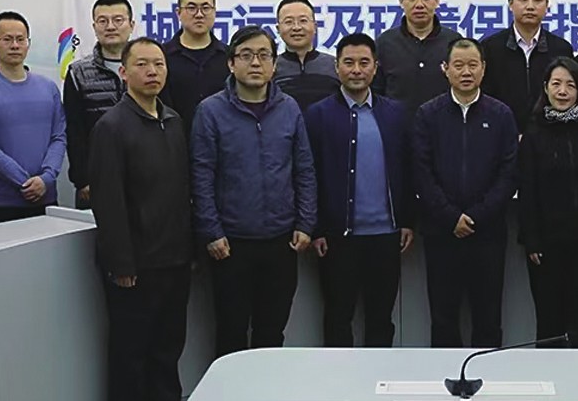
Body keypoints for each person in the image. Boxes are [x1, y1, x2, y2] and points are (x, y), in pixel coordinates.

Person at [88, 38, 193, 401]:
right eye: (143, 64)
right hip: (134, 265)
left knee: (167, 351)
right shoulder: (112, 126)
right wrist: (122, 263)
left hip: (174, 258)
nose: (152, 71)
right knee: (131, 355)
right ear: (124, 73)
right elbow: (108, 202)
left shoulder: (174, 120)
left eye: (159, 64)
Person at [191, 25, 317, 358]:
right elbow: (201, 176)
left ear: (274, 64)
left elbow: (304, 169)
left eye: (263, 55)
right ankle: (229, 393)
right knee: (231, 331)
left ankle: (268, 391)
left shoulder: (289, 108)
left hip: (281, 241)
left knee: (272, 331)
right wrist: (212, 231)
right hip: (230, 243)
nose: (256, 63)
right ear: (231, 63)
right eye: (246, 55)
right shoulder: (211, 111)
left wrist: (306, 223)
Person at [304, 33, 415, 347]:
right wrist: (316, 228)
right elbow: (309, 174)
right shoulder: (318, 115)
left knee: (381, 319)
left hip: (386, 235)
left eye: (364, 63)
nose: (356, 70)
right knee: (338, 317)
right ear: (336, 67)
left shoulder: (395, 113)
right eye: (349, 62)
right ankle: (339, 380)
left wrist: (407, 220)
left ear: (375, 67)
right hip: (338, 238)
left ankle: (378, 378)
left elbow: (407, 169)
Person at [412, 38, 518, 348]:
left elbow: (509, 173)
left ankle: (488, 375)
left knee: (489, 317)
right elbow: (421, 172)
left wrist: (476, 216)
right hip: (441, 232)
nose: (466, 72)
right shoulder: (428, 114)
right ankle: (445, 376)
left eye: (473, 65)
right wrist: (450, 217)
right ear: (445, 69)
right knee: (443, 317)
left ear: (484, 68)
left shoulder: (501, 114)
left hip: (488, 233)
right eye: (458, 65)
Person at [518, 57, 578, 348]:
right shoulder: (533, 132)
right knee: (550, 320)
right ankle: (550, 376)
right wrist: (531, 239)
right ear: (546, 88)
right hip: (548, 244)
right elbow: (527, 188)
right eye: (556, 84)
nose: (562, 91)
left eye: (570, 85)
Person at [0, 11, 66, 225]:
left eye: (21, 39)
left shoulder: (48, 88)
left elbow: (58, 137)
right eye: (7, 39)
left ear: (29, 43)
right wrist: (25, 182)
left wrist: (46, 178)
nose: (15, 45)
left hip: (46, 198)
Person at [64, 0, 134, 210]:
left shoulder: (149, 66)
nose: (110, 26)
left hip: (143, 175)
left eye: (118, 20)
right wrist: (82, 179)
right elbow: (74, 130)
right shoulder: (78, 72)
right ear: (94, 27)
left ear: (131, 25)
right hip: (97, 178)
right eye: (103, 21)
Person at [480, 0, 574, 132]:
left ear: (547, 5)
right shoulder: (490, 47)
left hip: (549, 135)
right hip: (501, 135)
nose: (530, 6)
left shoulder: (561, 48)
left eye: (537, 0)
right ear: (510, 4)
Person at [374, 0, 462, 114]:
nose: (419, 4)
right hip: (396, 126)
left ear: (437, 1)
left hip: (444, 125)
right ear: (401, 1)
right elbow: (375, 94)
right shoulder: (384, 43)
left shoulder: (454, 42)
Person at [159, 0, 230, 131]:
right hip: (174, 138)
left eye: (206, 8)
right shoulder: (161, 56)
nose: (199, 14)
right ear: (178, 13)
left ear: (214, 12)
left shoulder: (229, 56)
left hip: (221, 139)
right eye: (191, 8)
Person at [272, 0, 340, 111]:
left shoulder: (334, 65)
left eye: (303, 21)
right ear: (278, 29)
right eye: (289, 22)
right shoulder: (270, 67)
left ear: (315, 26)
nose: (296, 27)